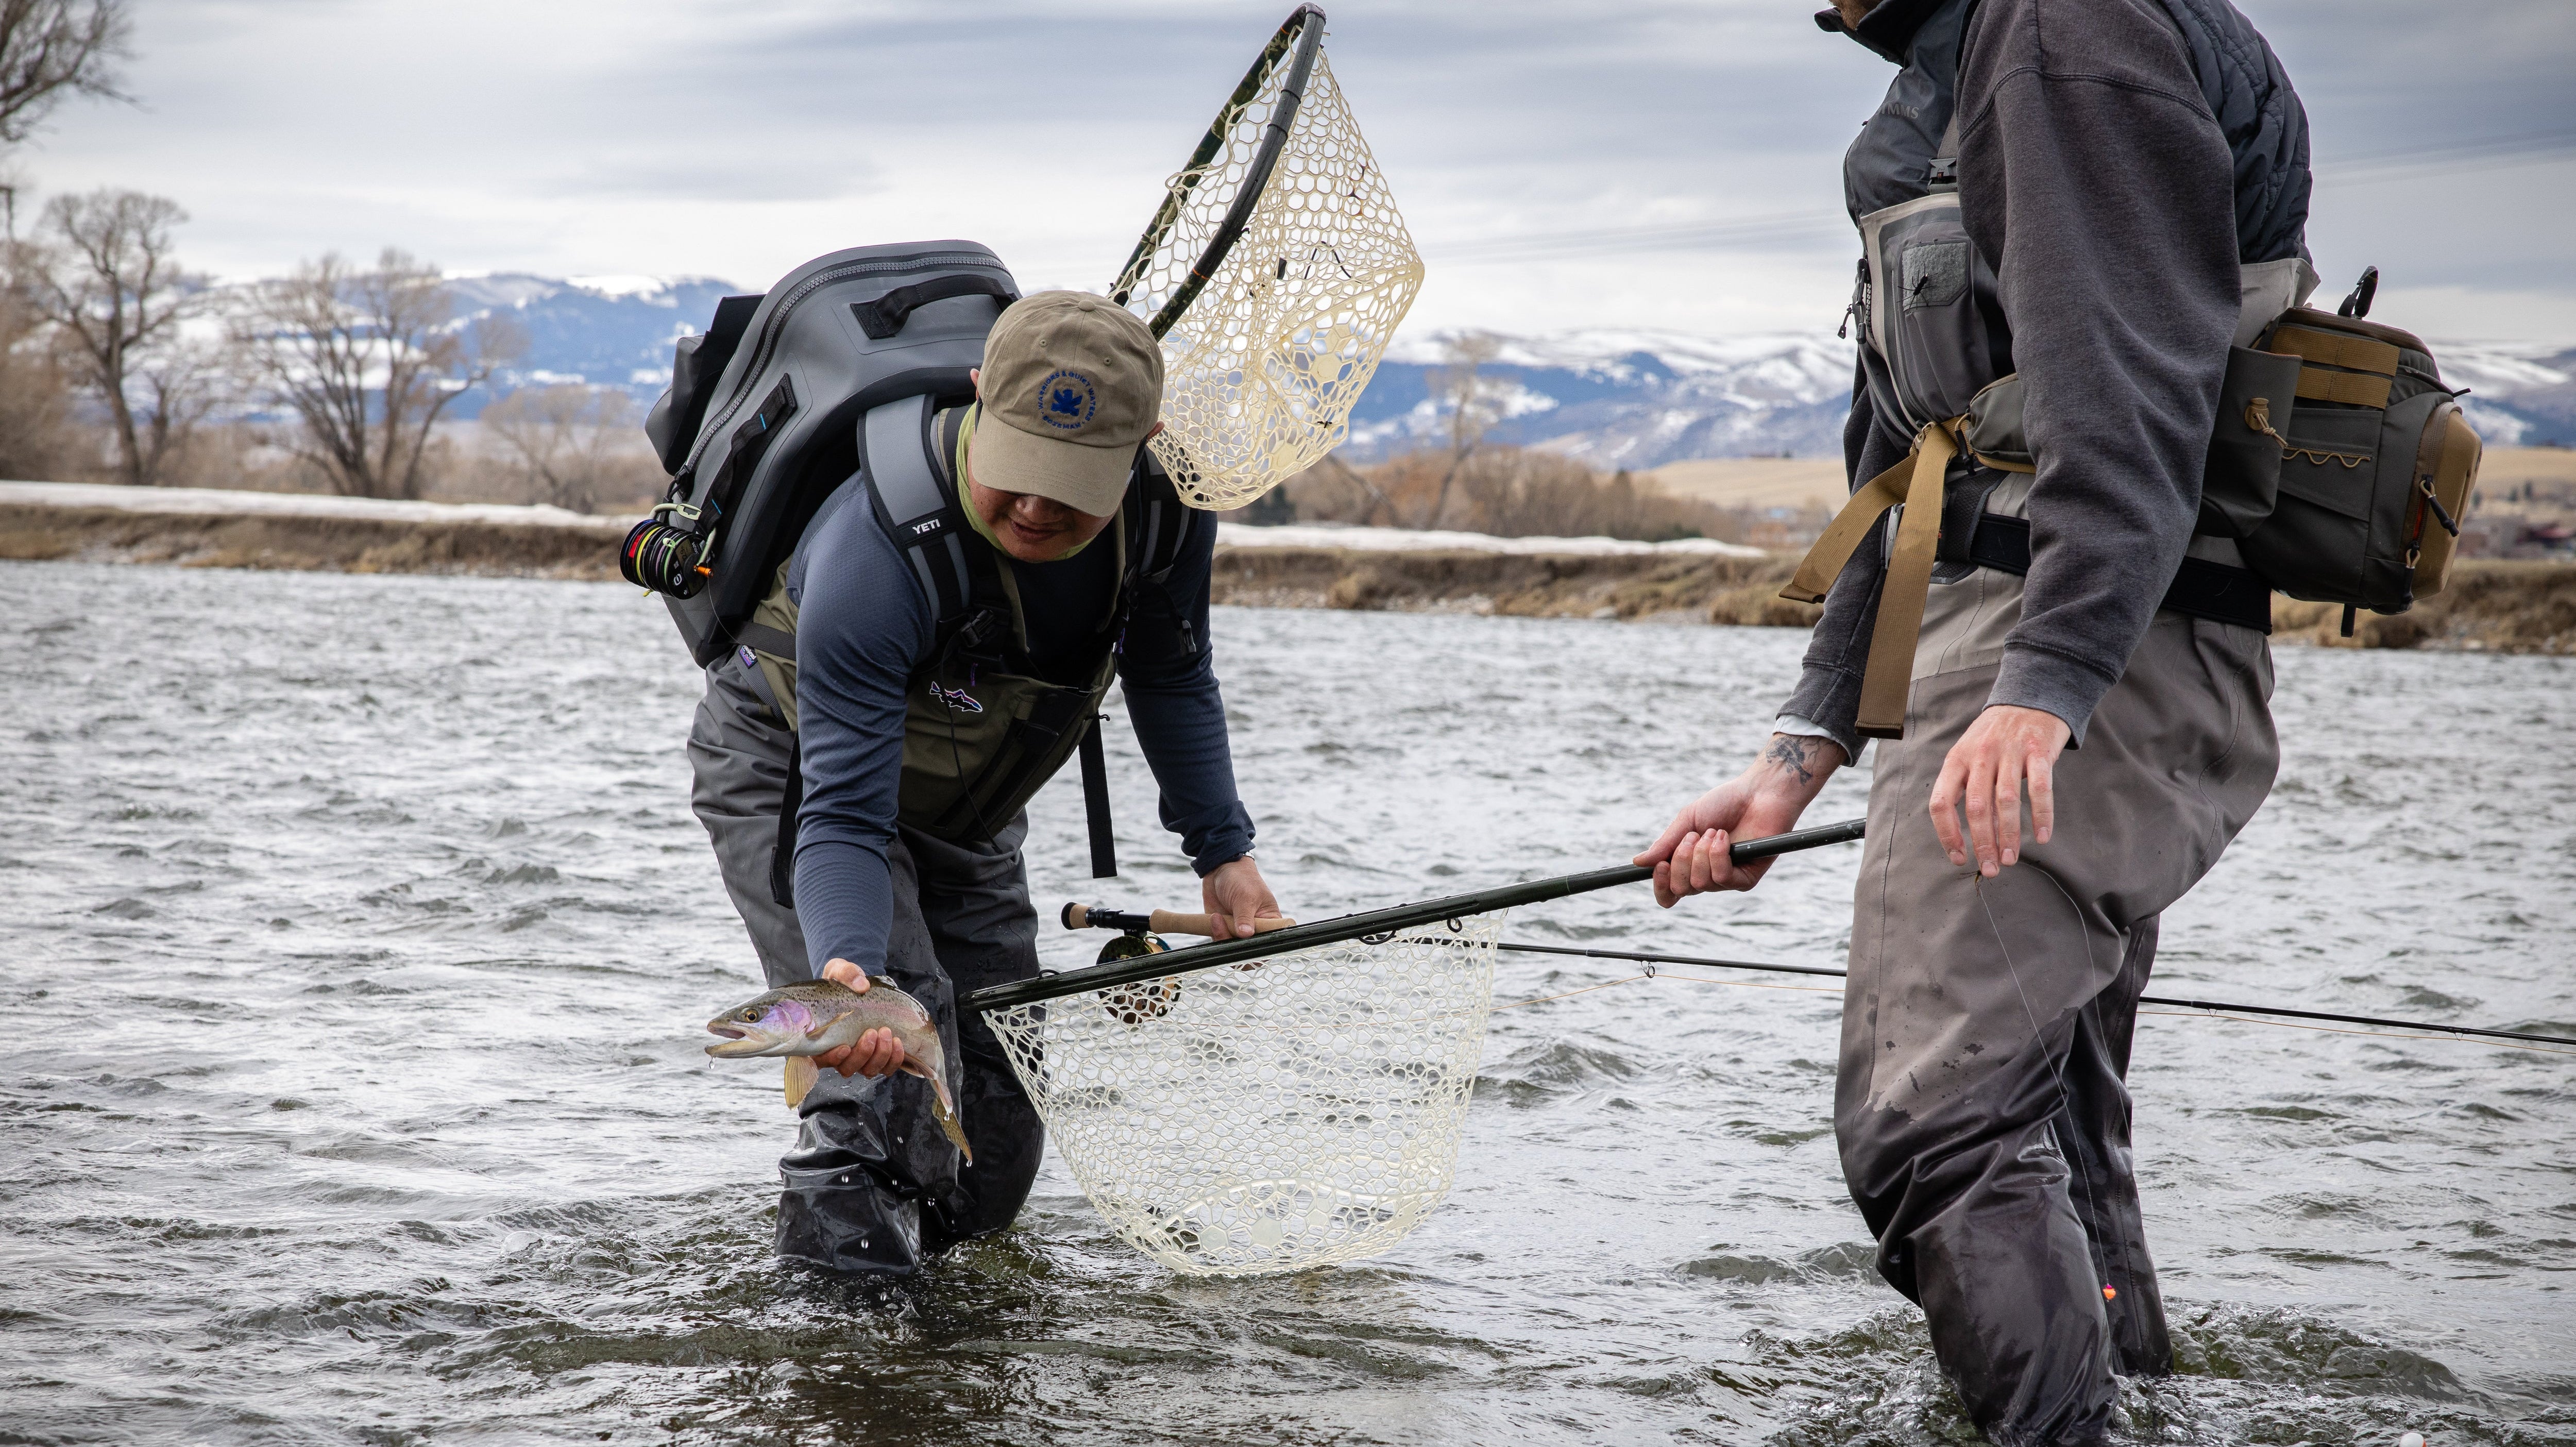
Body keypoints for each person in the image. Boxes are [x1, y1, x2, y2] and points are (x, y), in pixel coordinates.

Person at [1639, 0, 2312, 1439]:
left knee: (1935, 1120)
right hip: (2018, 649)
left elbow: (2128, 400)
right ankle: (2121, 1416)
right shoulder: (1956, 72)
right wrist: (1798, 752)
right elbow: (1908, 471)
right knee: (2046, 1121)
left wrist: (2045, 693)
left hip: (2074, 654)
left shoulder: (2064, 27)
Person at [687, 291, 1282, 1273]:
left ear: (1148, 444)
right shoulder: (873, 548)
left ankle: (947, 1351)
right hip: (801, 769)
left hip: (969, 799)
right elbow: (840, 816)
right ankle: (843, 1378)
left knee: (995, 1136)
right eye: (1018, 473)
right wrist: (848, 972)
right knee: (882, 1103)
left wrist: (1224, 853)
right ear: (977, 400)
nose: (1039, 509)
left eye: (1073, 484)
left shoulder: (1170, 517)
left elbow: (1172, 671)